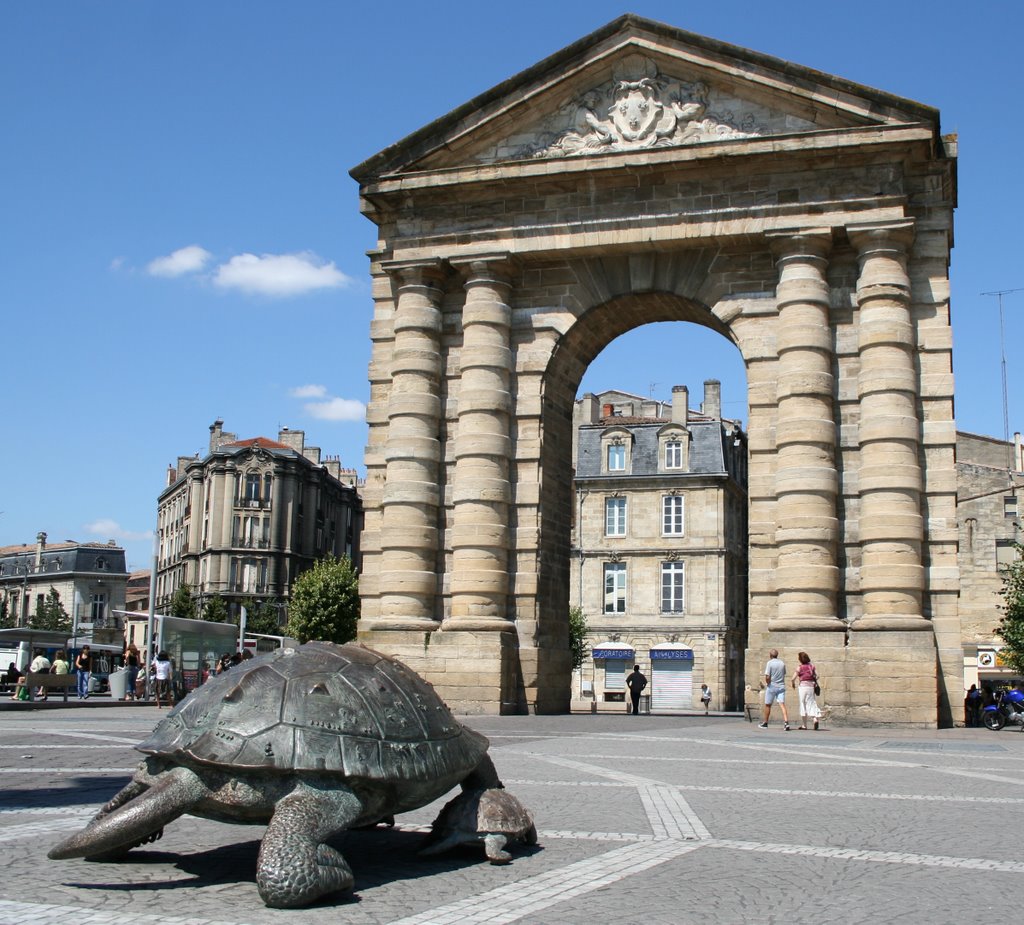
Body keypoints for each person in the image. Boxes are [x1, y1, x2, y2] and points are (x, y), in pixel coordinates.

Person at [791, 651, 823, 730]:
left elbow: (793, 678)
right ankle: (815, 718)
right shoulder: (812, 666)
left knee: (803, 704)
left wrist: (793, 683)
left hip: (802, 687)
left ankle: (804, 725)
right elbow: (817, 676)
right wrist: (813, 680)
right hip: (811, 687)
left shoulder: (800, 667)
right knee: (811, 703)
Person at [759, 648, 790, 730]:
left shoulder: (769, 663)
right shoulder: (782, 663)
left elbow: (767, 676)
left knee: (768, 704)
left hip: (772, 686)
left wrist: (768, 682)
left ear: (770, 655)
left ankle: (765, 723)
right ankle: (786, 722)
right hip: (781, 686)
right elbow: (784, 673)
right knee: (782, 704)